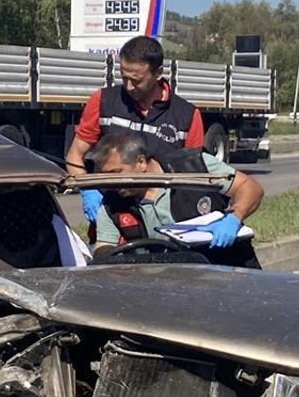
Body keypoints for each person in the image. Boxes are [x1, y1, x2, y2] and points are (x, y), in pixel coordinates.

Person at [65, 35, 208, 225]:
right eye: (124, 77)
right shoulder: (103, 101)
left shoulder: (186, 115)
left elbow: (195, 179)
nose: (129, 86)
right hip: (111, 216)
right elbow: (74, 155)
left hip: (164, 222)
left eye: (137, 80)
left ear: (158, 73)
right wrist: (87, 190)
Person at [90, 131, 264, 267]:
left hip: (229, 269)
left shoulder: (194, 166)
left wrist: (234, 217)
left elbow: (250, 188)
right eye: (105, 176)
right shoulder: (112, 203)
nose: (112, 183)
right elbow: (104, 245)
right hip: (170, 283)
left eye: (116, 174)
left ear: (141, 162)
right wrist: (111, 258)